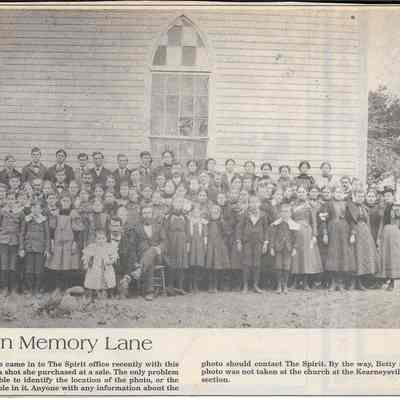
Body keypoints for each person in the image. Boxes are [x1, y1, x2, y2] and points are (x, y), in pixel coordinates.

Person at [321, 186, 355, 291]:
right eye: (336, 192)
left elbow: (352, 221)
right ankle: (333, 282)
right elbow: (323, 220)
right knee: (333, 256)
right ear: (333, 193)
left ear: (343, 194)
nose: (338, 194)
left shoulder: (347, 205)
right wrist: (325, 234)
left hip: (344, 231)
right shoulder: (328, 204)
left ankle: (340, 282)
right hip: (332, 231)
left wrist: (353, 234)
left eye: (340, 192)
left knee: (342, 256)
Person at [47, 194, 84, 292]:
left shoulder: (74, 214)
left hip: (69, 243)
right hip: (58, 242)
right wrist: (52, 242)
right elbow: (51, 229)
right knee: (57, 265)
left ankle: (67, 288)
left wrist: (75, 243)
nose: (65, 202)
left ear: (70, 202)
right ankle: (58, 287)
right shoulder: (55, 213)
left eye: (67, 201)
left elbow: (77, 231)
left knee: (68, 265)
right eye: (63, 200)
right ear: (60, 202)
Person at [346, 189, 379, 290]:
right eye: (358, 196)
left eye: (361, 196)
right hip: (355, 233)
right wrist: (352, 234)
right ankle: (353, 282)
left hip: (365, 234)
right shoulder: (350, 208)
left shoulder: (364, 208)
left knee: (362, 257)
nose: (360, 198)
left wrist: (369, 236)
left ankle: (360, 282)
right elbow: (350, 222)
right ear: (354, 197)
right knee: (355, 257)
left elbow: (367, 221)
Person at [291, 186, 323, 289]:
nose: (301, 194)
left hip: (306, 232)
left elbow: (314, 221)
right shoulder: (292, 205)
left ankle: (305, 282)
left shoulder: (310, 205)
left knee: (306, 257)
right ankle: (295, 282)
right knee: (296, 257)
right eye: (299, 192)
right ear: (297, 193)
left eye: (303, 192)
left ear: (306, 193)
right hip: (295, 232)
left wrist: (314, 235)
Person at [131, 206, 166, 301]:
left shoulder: (159, 226)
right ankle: (149, 292)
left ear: (152, 214)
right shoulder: (136, 228)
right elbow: (133, 246)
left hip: (157, 255)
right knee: (149, 261)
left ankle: (139, 270)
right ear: (142, 215)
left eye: (149, 213)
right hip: (141, 256)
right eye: (145, 213)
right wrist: (134, 260)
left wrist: (159, 248)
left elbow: (164, 242)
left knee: (152, 250)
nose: (147, 215)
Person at [236, 195, 269, 293]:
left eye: (256, 202)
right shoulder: (245, 214)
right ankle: (245, 285)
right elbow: (239, 228)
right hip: (247, 242)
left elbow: (266, 229)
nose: (254, 204)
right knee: (246, 263)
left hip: (259, 242)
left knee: (257, 264)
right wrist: (239, 241)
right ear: (249, 204)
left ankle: (255, 285)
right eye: (251, 202)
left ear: (259, 203)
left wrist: (265, 243)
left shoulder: (263, 215)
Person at [19, 201, 50, 295]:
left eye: (37, 208)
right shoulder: (27, 219)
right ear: (31, 209)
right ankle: (30, 289)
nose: (35, 210)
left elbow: (47, 236)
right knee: (29, 270)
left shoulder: (44, 220)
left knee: (39, 270)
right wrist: (21, 248)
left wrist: (47, 249)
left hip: (40, 248)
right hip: (29, 247)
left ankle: (37, 289)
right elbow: (22, 234)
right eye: (33, 208)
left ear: (41, 209)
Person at [269, 203, 299, 294]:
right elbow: (272, 236)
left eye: (287, 212)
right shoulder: (276, 224)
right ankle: (278, 285)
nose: (284, 213)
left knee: (286, 266)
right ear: (280, 213)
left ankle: (285, 285)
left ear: (290, 213)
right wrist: (271, 247)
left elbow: (296, 238)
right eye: (283, 211)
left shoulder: (293, 224)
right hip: (278, 247)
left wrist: (294, 248)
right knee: (278, 266)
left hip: (288, 247)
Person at [82, 230, 118, 300]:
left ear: (106, 239)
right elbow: (86, 256)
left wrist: (111, 261)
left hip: (106, 265)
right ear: (95, 239)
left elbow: (114, 255)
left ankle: (107, 292)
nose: (101, 241)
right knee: (94, 279)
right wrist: (87, 263)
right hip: (95, 266)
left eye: (103, 238)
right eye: (99, 239)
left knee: (107, 278)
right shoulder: (92, 246)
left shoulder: (109, 246)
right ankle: (94, 293)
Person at [163, 196, 189, 296]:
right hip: (172, 241)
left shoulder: (185, 217)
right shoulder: (168, 217)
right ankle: (170, 287)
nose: (178, 204)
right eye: (177, 202)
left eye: (180, 202)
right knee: (171, 264)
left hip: (182, 241)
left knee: (181, 264)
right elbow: (164, 231)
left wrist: (187, 243)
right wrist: (167, 243)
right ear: (173, 204)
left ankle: (180, 287)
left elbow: (187, 231)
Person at [0, 196, 24, 295]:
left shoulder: (20, 213)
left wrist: (21, 246)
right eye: (9, 199)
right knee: (4, 265)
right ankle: (5, 287)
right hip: (4, 242)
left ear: (15, 201)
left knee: (13, 266)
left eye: (12, 199)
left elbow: (22, 230)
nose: (10, 201)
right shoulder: (2, 212)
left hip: (15, 242)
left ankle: (13, 288)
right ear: (6, 200)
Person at [377, 187, 400, 290]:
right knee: (385, 255)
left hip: (394, 232)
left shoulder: (396, 207)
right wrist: (379, 236)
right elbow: (382, 222)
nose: (386, 198)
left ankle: (392, 281)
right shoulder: (383, 207)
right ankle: (385, 278)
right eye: (385, 196)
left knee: (393, 256)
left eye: (388, 196)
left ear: (393, 196)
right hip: (385, 232)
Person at [206, 204, 230, 293]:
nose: (214, 214)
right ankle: (210, 285)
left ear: (220, 213)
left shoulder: (222, 223)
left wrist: (222, 243)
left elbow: (227, 234)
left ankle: (216, 286)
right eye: (213, 212)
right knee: (210, 266)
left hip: (219, 246)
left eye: (216, 212)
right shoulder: (207, 223)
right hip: (209, 246)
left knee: (217, 266)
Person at [187, 203, 208, 293]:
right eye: (194, 211)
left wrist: (205, 245)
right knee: (191, 264)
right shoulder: (189, 222)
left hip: (199, 245)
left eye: (198, 211)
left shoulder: (203, 222)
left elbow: (205, 235)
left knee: (198, 265)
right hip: (191, 244)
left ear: (200, 212)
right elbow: (187, 234)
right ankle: (190, 285)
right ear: (192, 212)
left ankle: (196, 284)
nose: (196, 213)